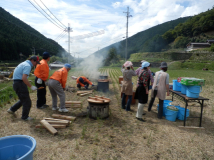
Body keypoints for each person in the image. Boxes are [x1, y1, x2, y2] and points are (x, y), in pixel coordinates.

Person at [7, 56, 39, 120]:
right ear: (32, 60)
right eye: (36, 62)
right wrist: (31, 86)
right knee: (27, 101)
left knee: (23, 99)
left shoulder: (23, 63)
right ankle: (25, 117)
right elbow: (23, 78)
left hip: (17, 83)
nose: (36, 64)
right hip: (20, 84)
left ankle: (12, 109)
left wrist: (27, 81)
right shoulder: (28, 66)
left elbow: (21, 76)